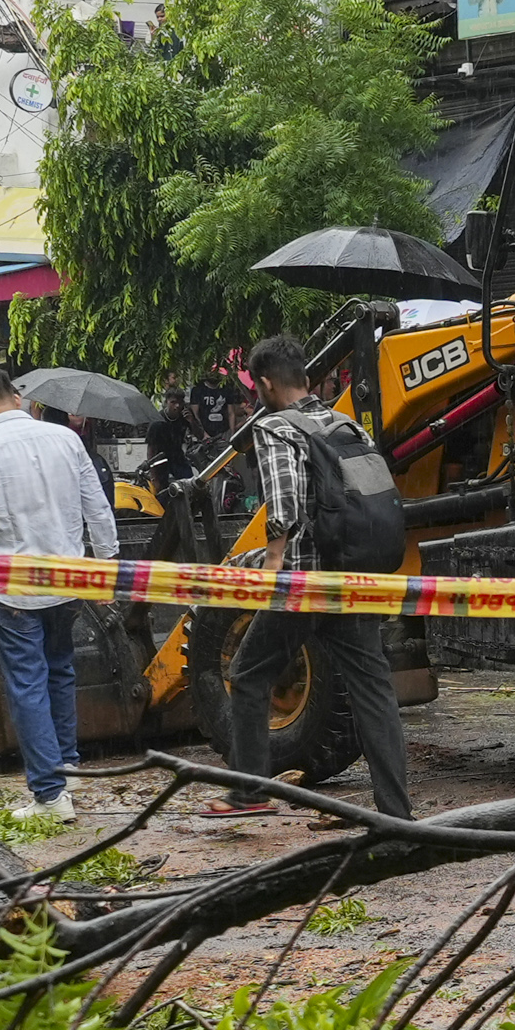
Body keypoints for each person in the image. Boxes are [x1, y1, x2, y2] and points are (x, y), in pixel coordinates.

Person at [205, 336, 413, 820]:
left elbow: (284, 503)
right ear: (306, 376)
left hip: (304, 582)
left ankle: (250, 792)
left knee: (249, 673)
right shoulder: (348, 425)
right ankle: (396, 813)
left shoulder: (276, 427)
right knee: (372, 687)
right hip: (354, 577)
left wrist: (273, 561)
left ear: (264, 383)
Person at [0, 361, 116, 823]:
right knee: (60, 671)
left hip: (15, 589)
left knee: (28, 684)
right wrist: (106, 568)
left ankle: (49, 794)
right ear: (18, 400)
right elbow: (97, 506)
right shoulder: (66, 439)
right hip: (69, 579)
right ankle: (67, 768)